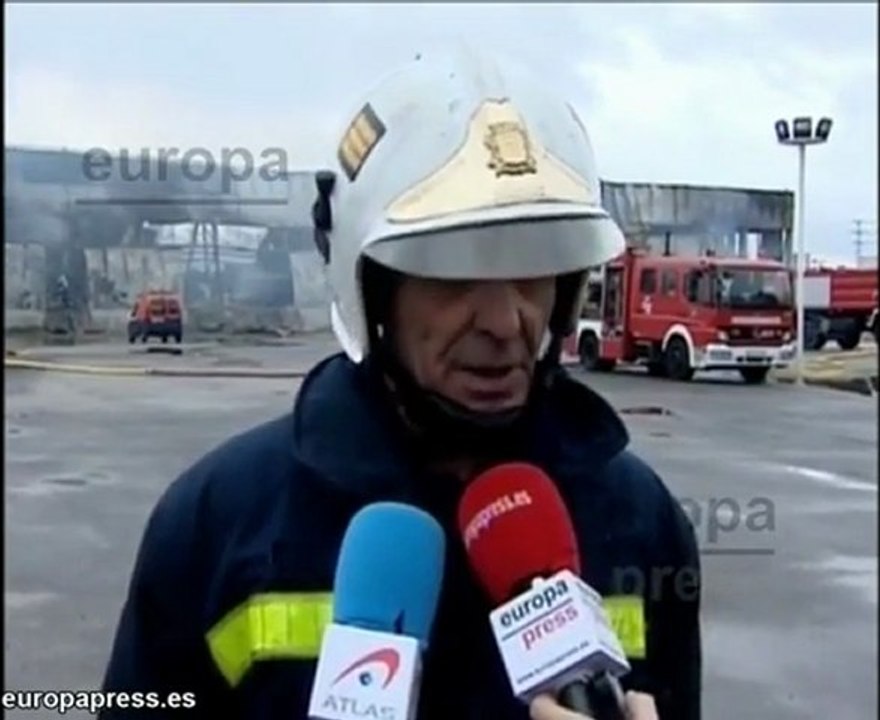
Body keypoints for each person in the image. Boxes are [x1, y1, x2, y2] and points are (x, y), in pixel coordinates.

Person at [101, 50, 701, 719]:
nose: (506, 323)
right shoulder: (218, 520)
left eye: (533, 273)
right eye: (453, 276)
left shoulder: (640, 519)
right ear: (374, 288)